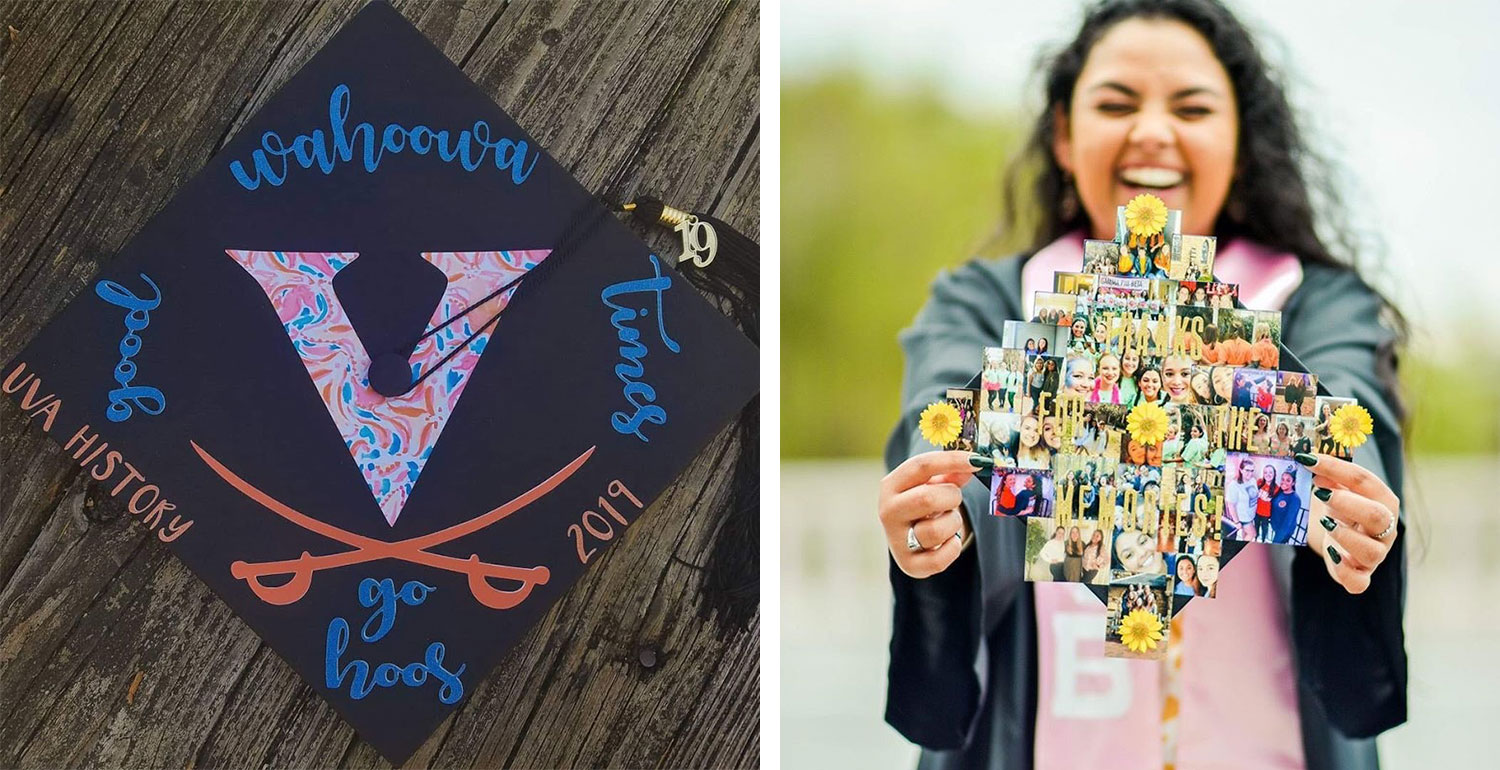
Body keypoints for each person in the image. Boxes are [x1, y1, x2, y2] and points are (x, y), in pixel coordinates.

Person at [879, 4, 1407, 769]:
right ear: (1064, 135)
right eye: (1116, 103)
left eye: (1192, 107)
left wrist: (1347, 515)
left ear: (1240, 142)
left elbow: (1350, 430)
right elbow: (959, 454)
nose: (1153, 130)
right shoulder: (985, 305)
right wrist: (943, 528)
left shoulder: (1316, 305)